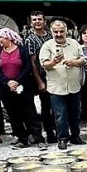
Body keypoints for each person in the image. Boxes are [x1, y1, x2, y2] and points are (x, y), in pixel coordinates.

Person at [38, 21, 85, 150]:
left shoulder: (74, 43)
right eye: (56, 32)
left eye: (61, 31)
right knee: (60, 115)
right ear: (51, 32)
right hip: (57, 87)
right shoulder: (47, 46)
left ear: (66, 31)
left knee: (75, 114)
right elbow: (44, 64)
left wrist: (73, 62)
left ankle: (75, 136)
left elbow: (83, 59)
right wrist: (53, 62)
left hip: (74, 84)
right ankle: (62, 138)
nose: (59, 34)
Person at [0, 27, 42, 148]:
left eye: (1, 37)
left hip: (23, 86)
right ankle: (22, 139)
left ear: (8, 37)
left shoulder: (22, 50)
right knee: (13, 115)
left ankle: (38, 138)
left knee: (29, 113)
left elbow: (27, 67)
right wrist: (7, 82)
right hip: (6, 88)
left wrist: (17, 81)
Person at [23, 12, 57, 143]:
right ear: (31, 23)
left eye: (39, 19)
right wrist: (39, 81)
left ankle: (58, 130)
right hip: (42, 76)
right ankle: (49, 133)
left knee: (56, 106)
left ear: (44, 21)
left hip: (55, 74)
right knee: (46, 106)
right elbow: (32, 62)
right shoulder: (30, 39)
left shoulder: (50, 35)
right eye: (34, 20)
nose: (37, 22)